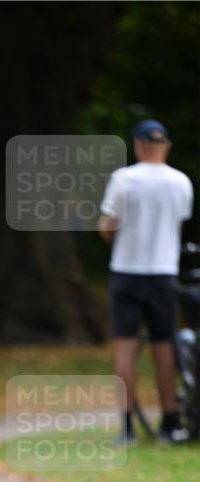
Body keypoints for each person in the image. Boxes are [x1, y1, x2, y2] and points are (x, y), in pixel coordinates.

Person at [99, 119, 194, 445]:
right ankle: (169, 422)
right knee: (164, 348)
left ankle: (126, 427)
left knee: (125, 349)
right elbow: (178, 220)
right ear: (165, 145)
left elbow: (109, 228)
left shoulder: (124, 179)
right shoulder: (181, 182)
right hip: (163, 272)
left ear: (138, 144)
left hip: (127, 270)